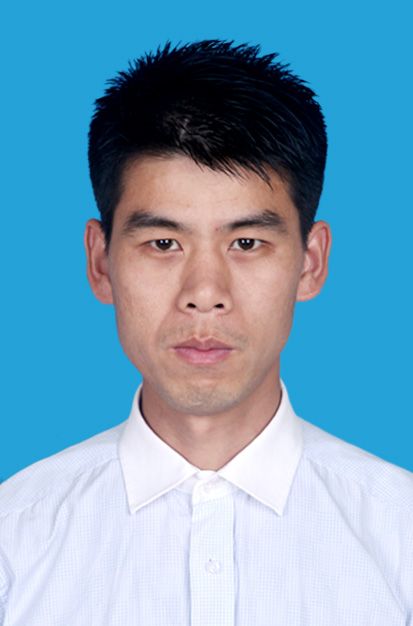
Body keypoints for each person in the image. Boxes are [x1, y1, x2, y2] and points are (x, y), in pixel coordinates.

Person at [0, 39, 412, 626]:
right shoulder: (14, 540)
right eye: (163, 242)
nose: (204, 292)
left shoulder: (400, 536)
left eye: (246, 242)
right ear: (101, 262)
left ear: (310, 262)